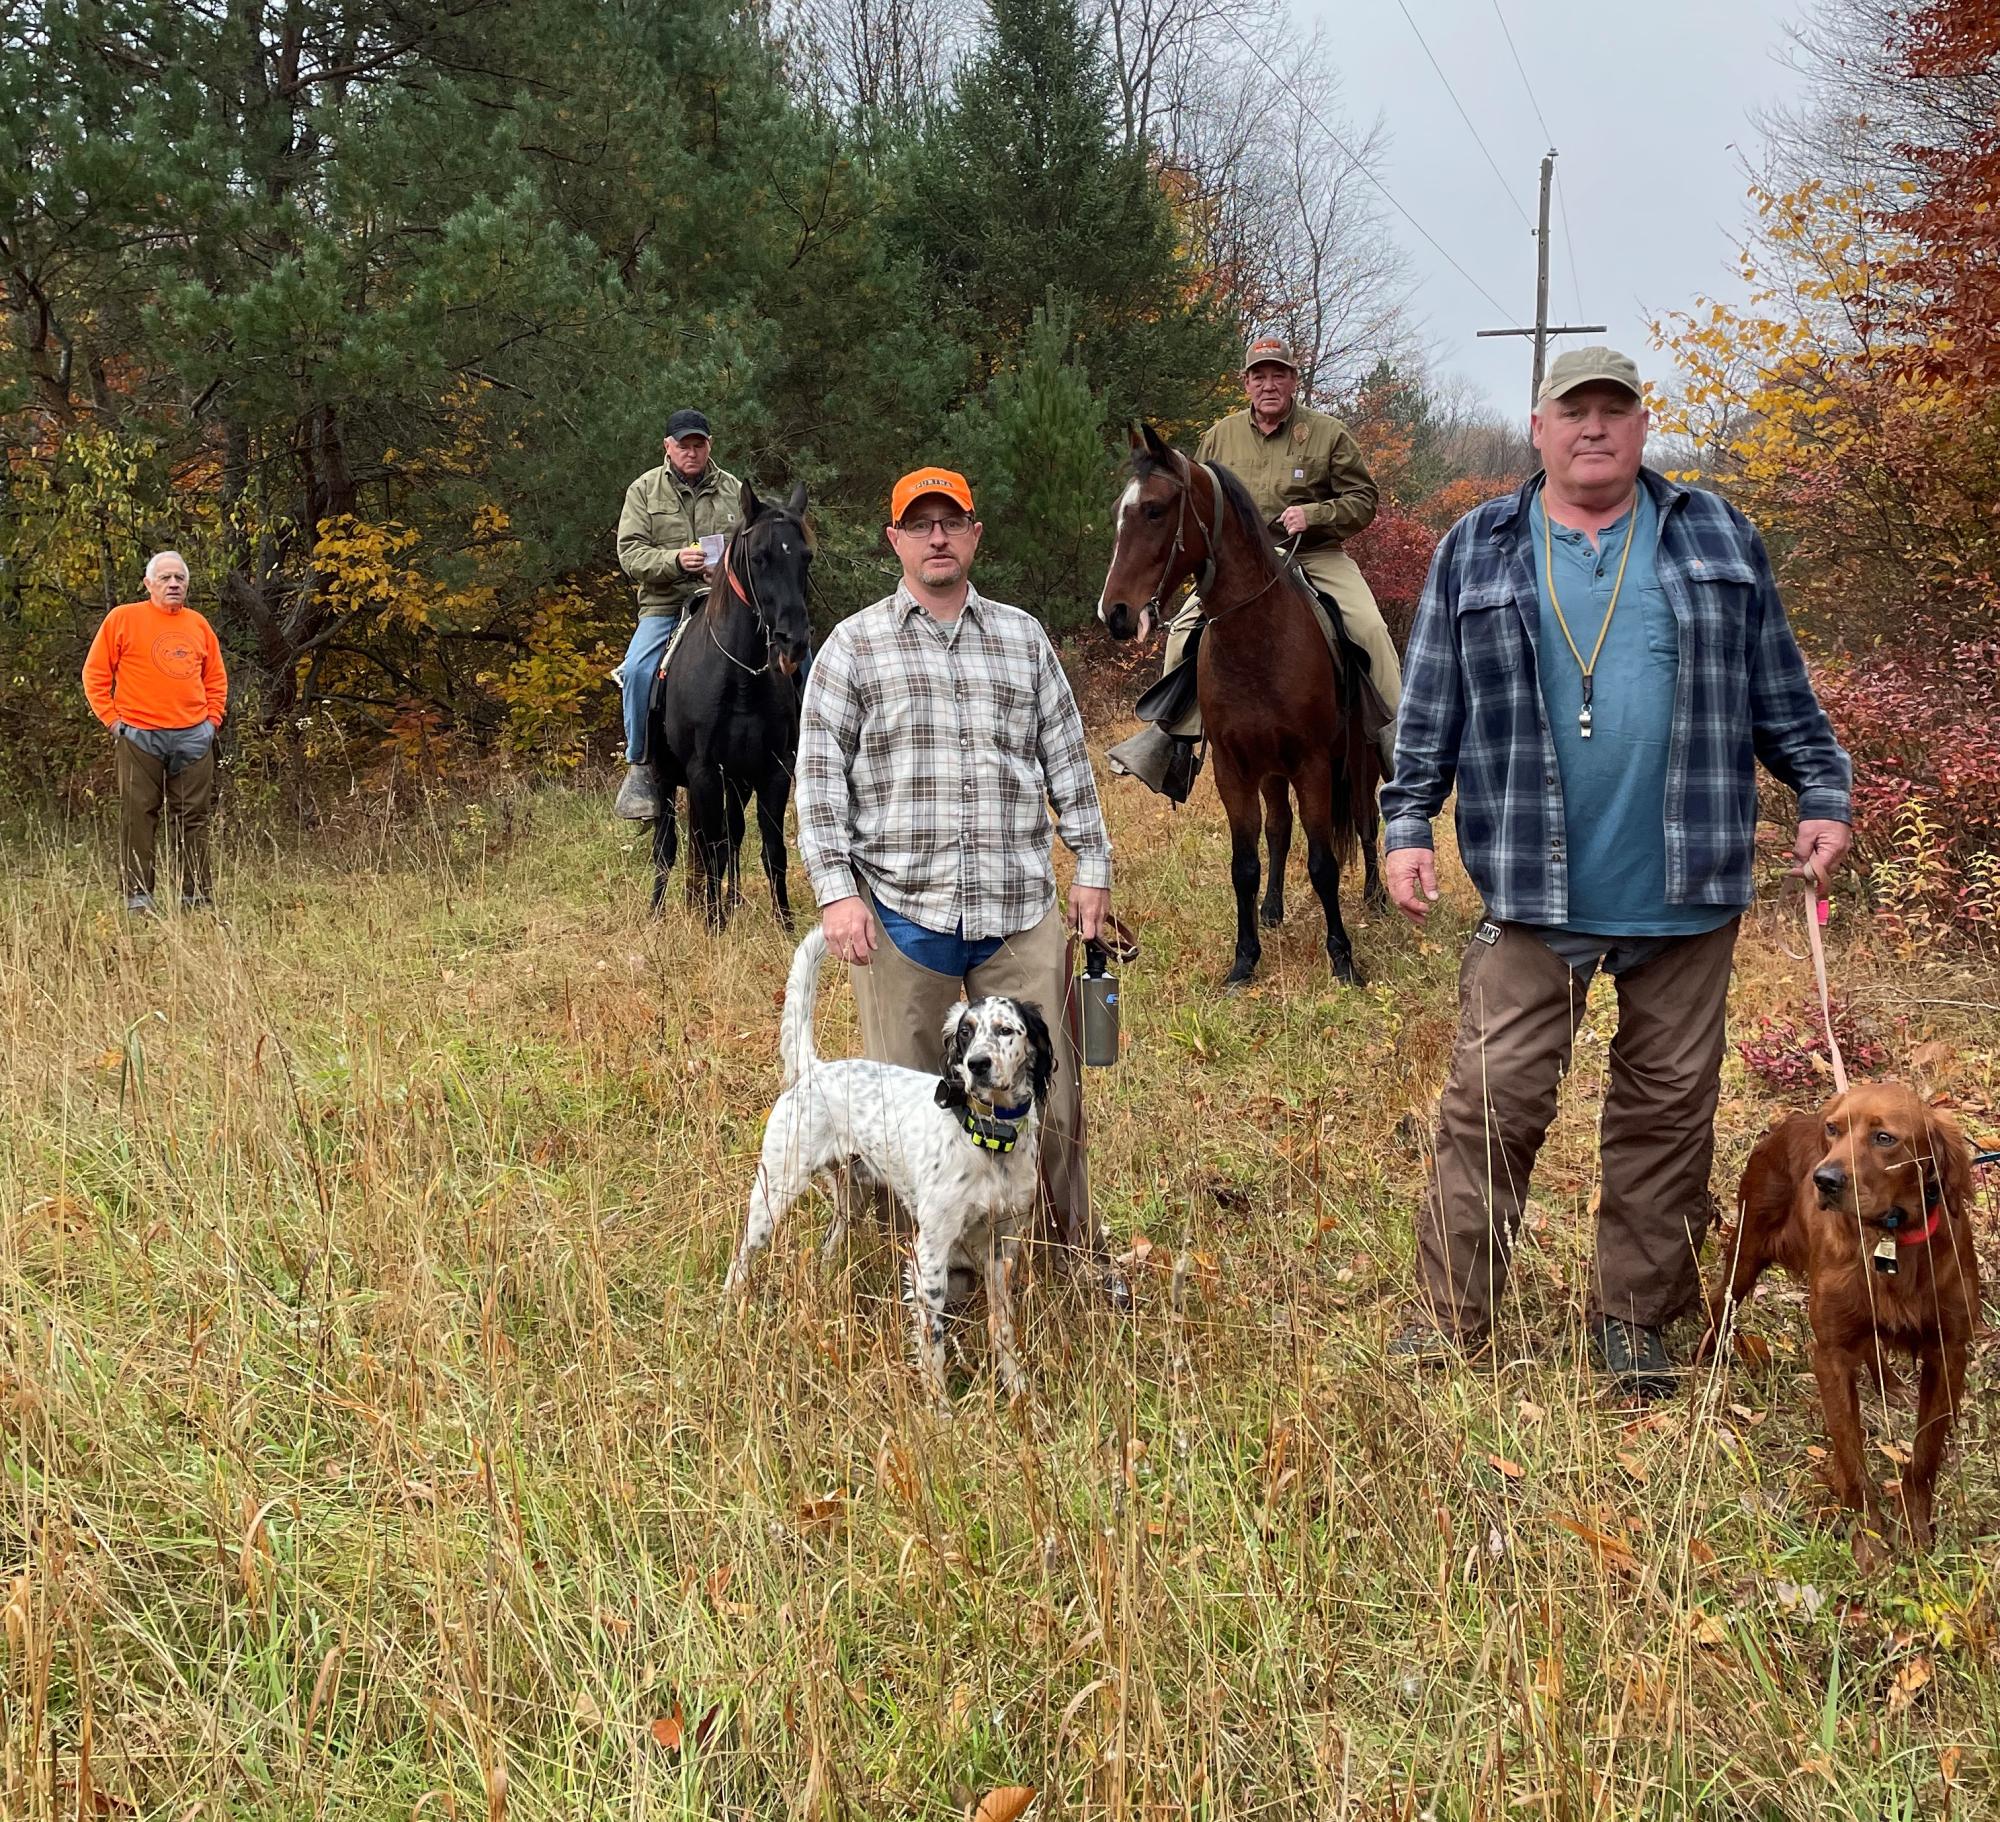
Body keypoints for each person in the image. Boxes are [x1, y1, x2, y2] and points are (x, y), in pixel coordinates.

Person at [1379, 346, 1854, 1396]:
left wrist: (1820, 791)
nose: (1592, 428)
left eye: (1613, 409)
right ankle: (1448, 1316)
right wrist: (1406, 819)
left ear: (1641, 426)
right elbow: (1427, 706)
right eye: (1571, 410)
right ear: (1537, 428)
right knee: (1487, 1105)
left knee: (1665, 1112)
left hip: (1685, 887)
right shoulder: (1476, 547)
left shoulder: (1716, 534)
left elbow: (1778, 688)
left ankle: (1633, 1320)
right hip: (1527, 886)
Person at [796, 465, 1114, 1254]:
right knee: (906, 1117)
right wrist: (837, 893)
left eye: (952, 521)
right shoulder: (852, 646)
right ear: (895, 540)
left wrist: (1092, 863)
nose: (937, 537)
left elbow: (1067, 757)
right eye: (920, 523)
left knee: (1051, 1100)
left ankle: (1059, 1256)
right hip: (905, 918)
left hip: (1018, 916)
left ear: (974, 534)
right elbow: (819, 778)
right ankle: (920, 1274)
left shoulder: (1022, 637)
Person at [1106, 334, 1402, 799]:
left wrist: (1317, 514)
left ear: (1293, 380)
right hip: (1237, 569)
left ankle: (1395, 746)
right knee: (1182, 636)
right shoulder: (1219, 437)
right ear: (1245, 383)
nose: (1269, 384)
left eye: (1278, 374)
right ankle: (1171, 743)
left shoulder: (1328, 433)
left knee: (1368, 628)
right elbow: (1193, 511)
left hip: (1312, 553)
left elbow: (1363, 500)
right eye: (1259, 375)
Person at [613, 407, 745, 819]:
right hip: (665, 604)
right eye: (683, 444)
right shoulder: (644, 490)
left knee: (791, 654)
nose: (691, 451)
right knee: (636, 669)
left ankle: (798, 749)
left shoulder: (734, 490)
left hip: (723, 599)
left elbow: (752, 550)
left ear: (710, 445)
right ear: (667, 447)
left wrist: (722, 569)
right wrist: (674, 561)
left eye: (698, 444)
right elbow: (630, 551)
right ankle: (640, 767)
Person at [81, 550, 229, 913]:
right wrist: (114, 722)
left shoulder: (198, 624)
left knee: (193, 817)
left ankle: (196, 898)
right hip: (139, 736)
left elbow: (216, 677)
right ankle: (139, 899)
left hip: (194, 736)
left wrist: (212, 722)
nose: (174, 584)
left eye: (180, 578)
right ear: (148, 584)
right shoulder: (123, 619)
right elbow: (95, 674)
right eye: (165, 578)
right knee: (138, 814)